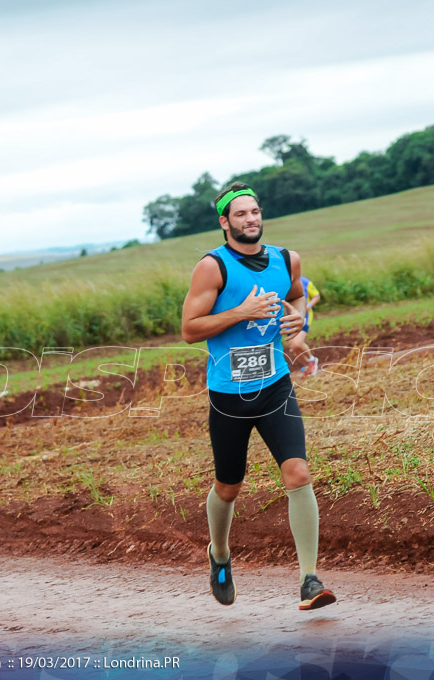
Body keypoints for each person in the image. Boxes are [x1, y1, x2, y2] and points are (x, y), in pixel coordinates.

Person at [181, 181, 336, 610]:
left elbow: (298, 299)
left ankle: (309, 580)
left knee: (298, 473)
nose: (251, 219)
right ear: (225, 222)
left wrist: (298, 326)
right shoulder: (213, 268)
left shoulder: (287, 259)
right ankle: (219, 553)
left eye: (255, 212)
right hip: (228, 395)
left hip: (275, 386)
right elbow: (190, 330)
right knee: (229, 486)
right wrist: (241, 313)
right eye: (241, 214)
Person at [286, 276, 321, 377]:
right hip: (289, 318)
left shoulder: (304, 281)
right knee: (293, 348)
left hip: (304, 316)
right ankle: (308, 365)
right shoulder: (281, 280)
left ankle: (312, 360)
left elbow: (317, 296)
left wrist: (307, 307)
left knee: (297, 344)